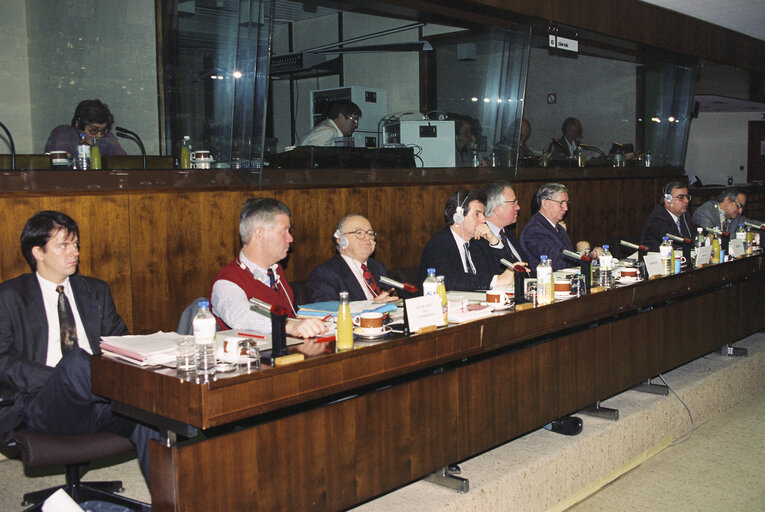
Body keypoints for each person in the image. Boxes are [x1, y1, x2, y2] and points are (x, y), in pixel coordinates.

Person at [0, 211, 156, 483]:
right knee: (75, 364)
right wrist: (59, 379)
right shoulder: (10, 297)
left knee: (152, 420)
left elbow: (120, 345)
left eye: (76, 244)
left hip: (98, 402)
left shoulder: (95, 291)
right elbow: (2, 360)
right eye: (64, 245)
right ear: (38, 252)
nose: (75, 252)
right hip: (42, 405)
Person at [210, 198, 328, 343]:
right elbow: (240, 314)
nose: (290, 238)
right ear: (260, 234)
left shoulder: (275, 270)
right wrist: (287, 325)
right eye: (284, 231)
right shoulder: (227, 281)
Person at [418, 189, 515, 291]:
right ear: (458, 216)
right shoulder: (439, 243)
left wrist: (494, 241)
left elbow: (506, 272)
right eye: (477, 214)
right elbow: (449, 280)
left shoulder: (479, 241)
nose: (483, 219)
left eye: (483, 214)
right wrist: (496, 280)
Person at [306, 214, 397, 303]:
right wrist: (371, 306)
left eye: (370, 233)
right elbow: (329, 311)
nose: (367, 238)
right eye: (359, 233)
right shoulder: (324, 273)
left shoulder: (378, 267)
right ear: (341, 240)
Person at [520, 183, 597, 271]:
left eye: (567, 203)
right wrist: (582, 254)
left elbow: (567, 259)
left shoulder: (558, 228)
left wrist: (592, 258)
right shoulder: (534, 230)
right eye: (561, 203)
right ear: (545, 203)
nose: (566, 208)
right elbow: (557, 264)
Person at [44, 99, 127, 158]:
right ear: (78, 124)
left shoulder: (107, 137)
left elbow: (123, 162)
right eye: (93, 130)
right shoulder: (63, 134)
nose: (98, 135)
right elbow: (60, 166)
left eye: (102, 130)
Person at [481, 181, 530, 272]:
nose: (518, 207)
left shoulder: (508, 235)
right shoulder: (480, 239)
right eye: (513, 203)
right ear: (497, 208)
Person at [640, 181, 696, 252]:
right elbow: (674, 242)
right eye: (681, 197)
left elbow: (694, 234)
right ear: (667, 200)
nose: (686, 201)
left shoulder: (685, 216)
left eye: (687, 197)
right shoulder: (658, 218)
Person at [297, 100, 362, 147]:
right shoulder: (329, 131)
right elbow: (310, 157)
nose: (356, 125)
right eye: (354, 120)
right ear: (341, 117)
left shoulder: (329, 129)